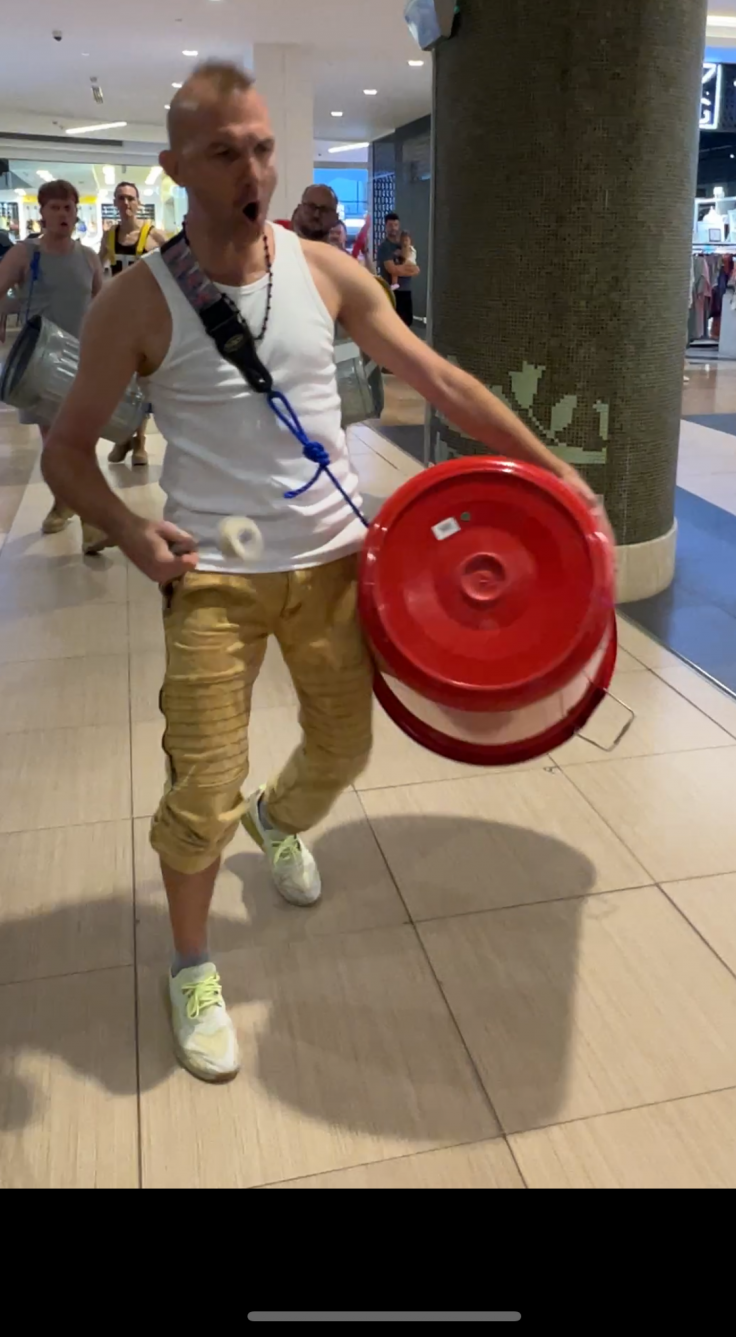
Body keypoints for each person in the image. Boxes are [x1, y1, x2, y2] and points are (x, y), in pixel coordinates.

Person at [43, 60, 609, 1085]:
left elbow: (441, 380)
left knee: (344, 747)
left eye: (262, 147)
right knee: (202, 784)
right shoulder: (135, 300)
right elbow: (66, 451)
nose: (252, 169)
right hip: (213, 578)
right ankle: (192, 963)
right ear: (175, 167)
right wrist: (128, 530)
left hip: (339, 564)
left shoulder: (326, 272)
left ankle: (278, 820)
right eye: (225, 151)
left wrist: (552, 468)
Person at [0, 178, 107, 550]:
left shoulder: (88, 257)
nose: (62, 213)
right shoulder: (24, 254)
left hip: (82, 362)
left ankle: (79, 511)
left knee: (78, 442)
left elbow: (103, 306)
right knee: (57, 443)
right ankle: (73, 507)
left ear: (77, 213)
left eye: (68, 207)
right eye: (55, 207)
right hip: (39, 364)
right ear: (42, 213)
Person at [100, 180, 164, 467]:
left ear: (138, 203)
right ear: (115, 203)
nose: (126, 203)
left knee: (141, 380)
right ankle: (123, 436)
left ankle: (139, 441)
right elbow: (96, 267)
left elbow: (178, 265)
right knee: (118, 379)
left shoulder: (155, 236)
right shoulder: (109, 237)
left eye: (130, 198)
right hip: (119, 316)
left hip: (147, 318)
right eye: (121, 198)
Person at [391, 230, 419, 328]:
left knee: (406, 316)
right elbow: (395, 269)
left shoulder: (410, 251)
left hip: (406, 287)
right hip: (399, 289)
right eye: (403, 240)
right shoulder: (397, 251)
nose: (405, 242)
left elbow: (413, 268)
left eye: (407, 240)